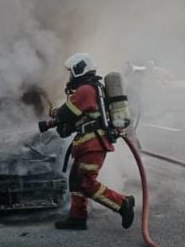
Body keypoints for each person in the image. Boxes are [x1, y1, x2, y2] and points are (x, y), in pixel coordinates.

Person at [44, 52, 135, 231]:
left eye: (71, 71)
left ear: (79, 69)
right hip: (87, 144)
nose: (70, 76)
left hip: (93, 144)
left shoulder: (86, 90)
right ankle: (77, 218)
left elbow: (66, 113)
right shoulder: (92, 89)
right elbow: (77, 118)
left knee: (87, 182)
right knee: (76, 180)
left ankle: (123, 203)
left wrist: (53, 112)